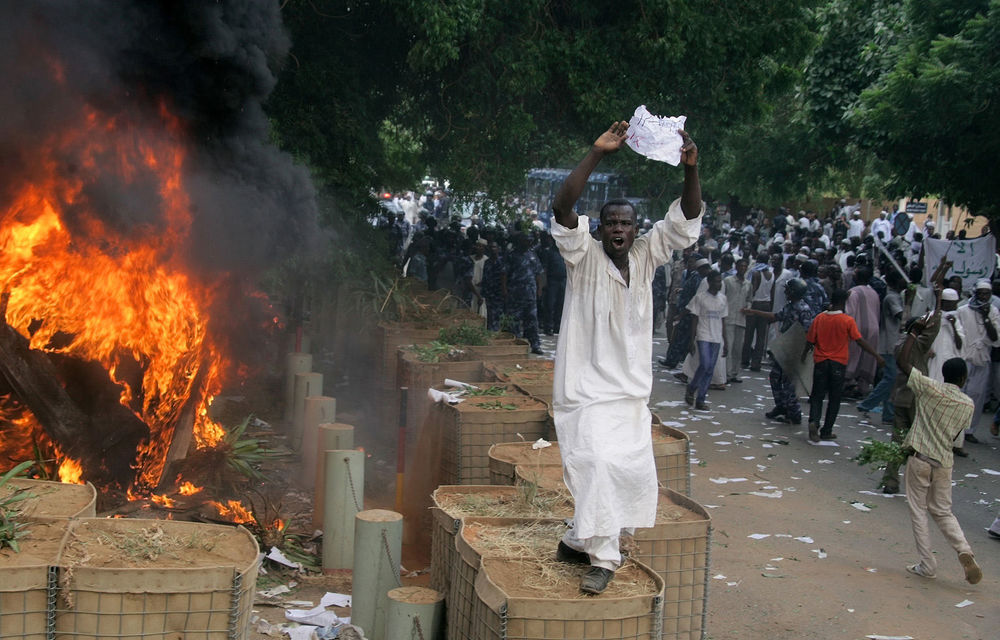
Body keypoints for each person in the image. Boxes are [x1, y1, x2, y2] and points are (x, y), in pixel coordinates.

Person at [550, 121, 703, 594]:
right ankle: (605, 558)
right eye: (611, 222)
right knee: (594, 462)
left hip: (631, 393)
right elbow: (561, 206)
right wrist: (596, 153)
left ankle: (580, 538)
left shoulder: (648, 255)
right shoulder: (582, 255)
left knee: (623, 469)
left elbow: (687, 218)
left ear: (637, 230)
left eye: (626, 223)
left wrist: (691, 171)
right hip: (586, 389)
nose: (619, 229)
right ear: (600, 227)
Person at [896, 341, 983, 585]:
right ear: (963, 378)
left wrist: (912, 335)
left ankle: (927, 564)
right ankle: (964, 549)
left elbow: (903, 364)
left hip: (920, 458)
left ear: (944, 374)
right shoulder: (968, 404)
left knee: (918, 511)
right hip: (944, 462)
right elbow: (956, 439)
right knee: (943, 511)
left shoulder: (930, 388)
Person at [803, 288, 884, 442]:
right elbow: (859, 341)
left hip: (820, 362)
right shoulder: (847, 321)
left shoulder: (820, 318)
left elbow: (810, 341)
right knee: (834, 398)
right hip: (838, 363)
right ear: (845, 300)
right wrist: (876, 356)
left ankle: (813, 421)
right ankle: (827, 430)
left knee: (817, 395)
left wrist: (802, 356)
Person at [743, 278, 815, 425]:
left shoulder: (804, 310)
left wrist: (804, 354)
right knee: (775, 376)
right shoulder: (790, 306)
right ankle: (781, 406)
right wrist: (754, 312)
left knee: (789, 382)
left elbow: (809, 333)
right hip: (785, 348)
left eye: (788, 289)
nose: (785, 292)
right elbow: (776, 317)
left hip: (796, 350)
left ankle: (794, 413)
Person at [857, 270, 906, 424]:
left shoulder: (895, 296)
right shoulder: (891, 298)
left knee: (892, 379)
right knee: (890, 378)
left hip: (893, 343)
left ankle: (888, 413)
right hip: (889, 344)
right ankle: (867, 404)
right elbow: (901, 317)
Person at [956, 279, 1000, 447]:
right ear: (975, 294)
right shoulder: (962, 310)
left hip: (982, 359)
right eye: (981, 293)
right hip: (964, 357)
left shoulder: (993, 311)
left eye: (987, 294)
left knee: (977, 395)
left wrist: (986, 317)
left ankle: (969, 431)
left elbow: (995, 338)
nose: (983, 296)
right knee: (960, 393)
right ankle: (954, 430)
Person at [684, 270, 728, 410]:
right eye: (716, 281)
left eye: (720, 281)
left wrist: (725, 341)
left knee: (710, 369)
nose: (718, 284)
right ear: (709, 282)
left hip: (716, 336)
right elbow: (694, 318)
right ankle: (692, 388)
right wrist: (691, 339)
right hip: (703, 334)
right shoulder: (700, 297)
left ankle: (700, 399)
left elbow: (723, 320)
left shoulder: (723, 299)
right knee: (705, 363)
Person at [506, 233, 545, 355]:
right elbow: (504, 274)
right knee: (514, 321)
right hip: (515, 294)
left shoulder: (532, 255)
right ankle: (515, 346)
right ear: (520, 241)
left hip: (530, 294)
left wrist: (539, 289)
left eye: (529, 241)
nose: (528, 243)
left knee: (532, 320)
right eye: (525, 240)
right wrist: (505, 290)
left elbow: (538, 273)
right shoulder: (512, 255)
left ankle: (535, 345)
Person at [724, 258, 752, 383]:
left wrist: (748, 307)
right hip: (729, 317)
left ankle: (735, 372)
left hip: (741, 319)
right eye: (741, 266)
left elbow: (749, 299)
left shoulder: (748, 284)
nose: (743, 268)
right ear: (736, 267)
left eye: (745, 266)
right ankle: (727, 373)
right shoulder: (728, 281)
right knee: (728, 347)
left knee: (737, 348)